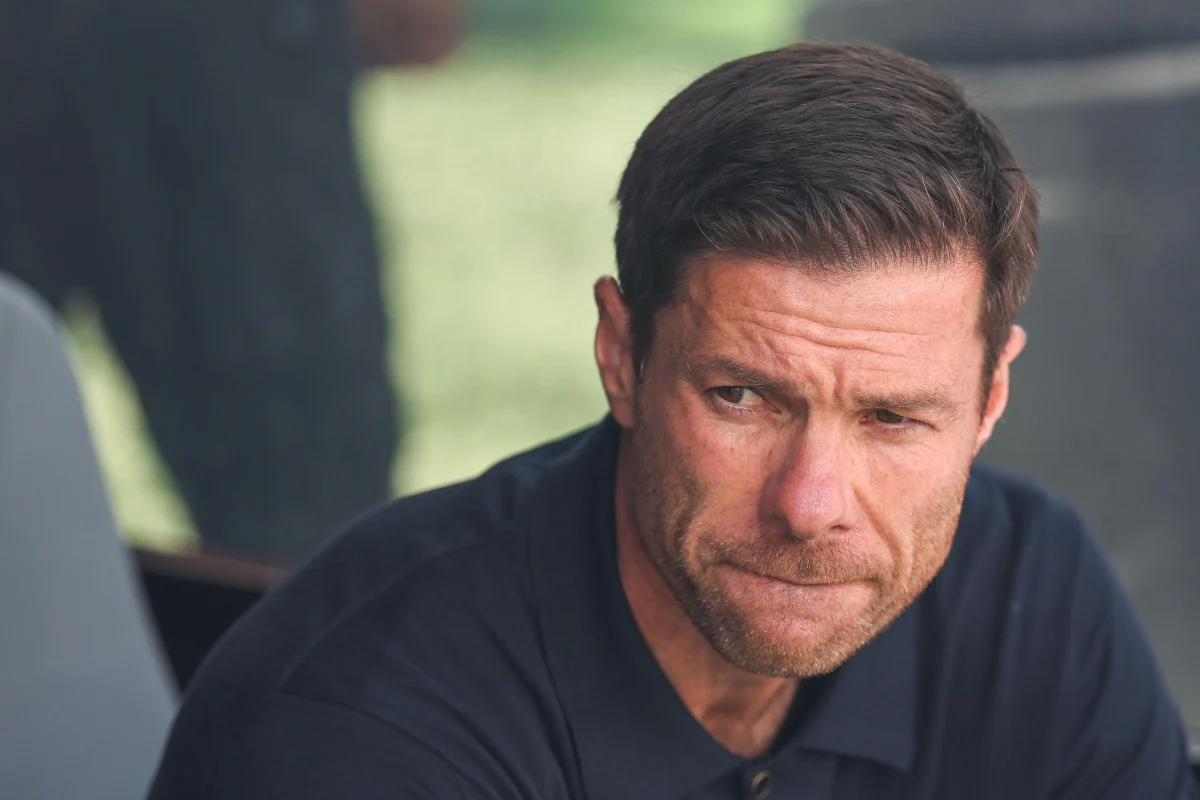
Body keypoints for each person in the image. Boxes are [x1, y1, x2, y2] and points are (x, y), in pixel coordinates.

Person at [147, 43, 1198, 798]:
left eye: (891, 417)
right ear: (622, 357)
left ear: (989, 401)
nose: (810, 504)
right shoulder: (359, 734)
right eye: (743, 397)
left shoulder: (1029, 590)